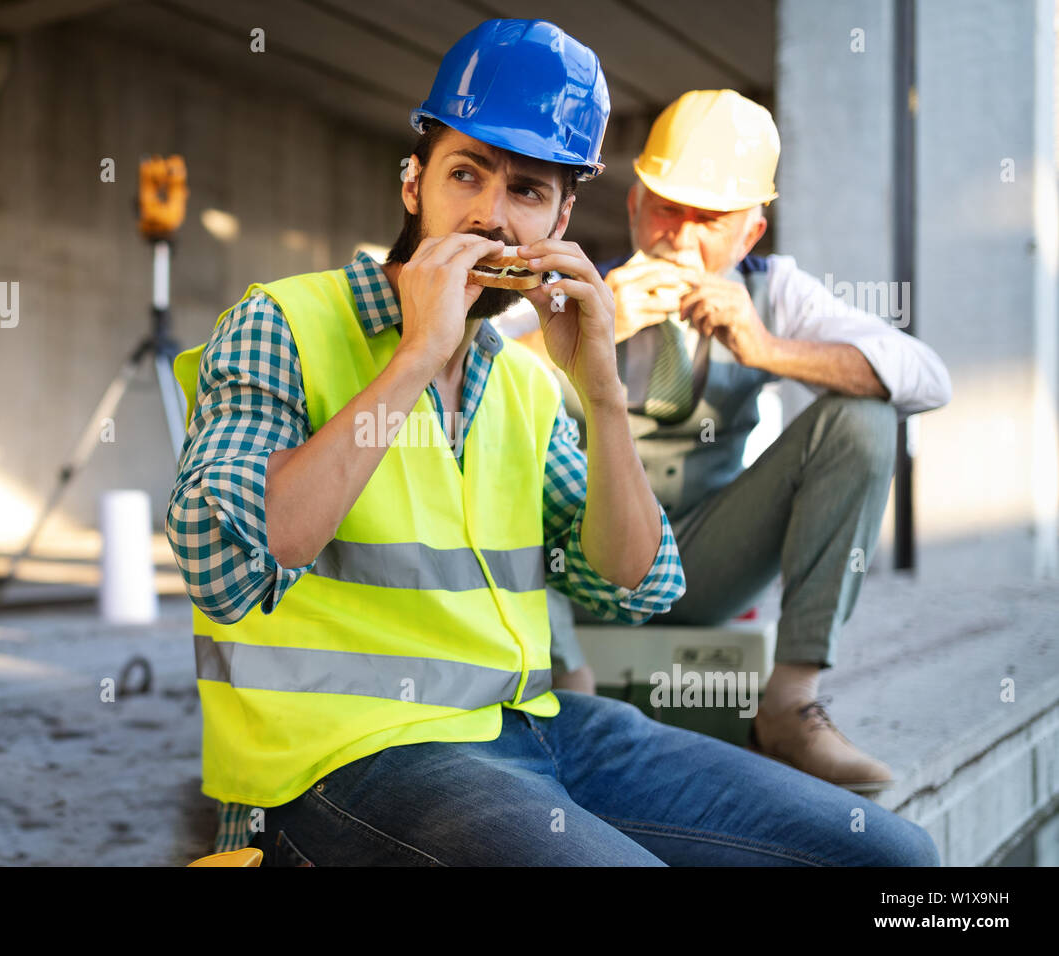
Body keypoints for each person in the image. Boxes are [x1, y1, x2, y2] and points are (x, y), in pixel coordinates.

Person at [168, 23, 939, 866]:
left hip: (532, 728)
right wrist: (418, 354)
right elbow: (227, 562)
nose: (492, 216)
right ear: (413, 182)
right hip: (340, 762)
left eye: (528, 192)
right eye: (466, 174)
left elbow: (635, 583)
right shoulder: (281, 322)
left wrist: (601, 391)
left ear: (561, 219)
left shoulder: (526, 379)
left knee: (893, 859)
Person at [503, 89, 953, 794]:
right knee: (510, 429)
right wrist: (575, 336)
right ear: (633, 205)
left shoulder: (776, 292)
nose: (681, 238)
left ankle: (790, 704)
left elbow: (927, 379)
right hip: (581, 566)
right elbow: (461, 390)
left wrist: (769, 348)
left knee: (864, 418)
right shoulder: (572, 288)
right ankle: (571, 695)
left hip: (706, 558)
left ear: (749, 233)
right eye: (665, 209)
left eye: (709, 220)